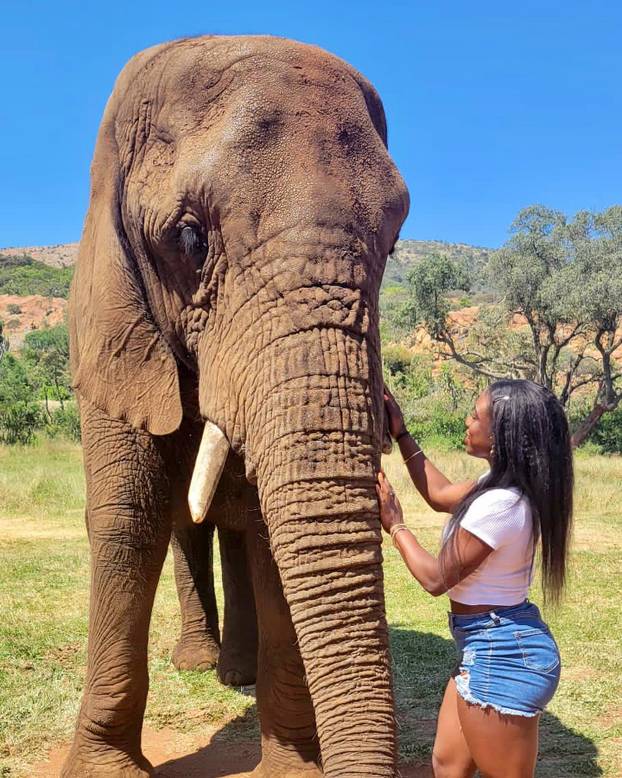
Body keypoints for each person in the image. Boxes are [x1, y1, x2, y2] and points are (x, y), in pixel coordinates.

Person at [376, 379, 573, 778]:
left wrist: (396, 526)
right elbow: (440, 494)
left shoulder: (502, 504)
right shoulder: (498, 486)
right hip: (487, 642)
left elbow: (435, 579)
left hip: (504, 654)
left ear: (502, 436)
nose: (467, 422)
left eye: (475, 415)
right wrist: (402, 434)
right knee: (449, 764)